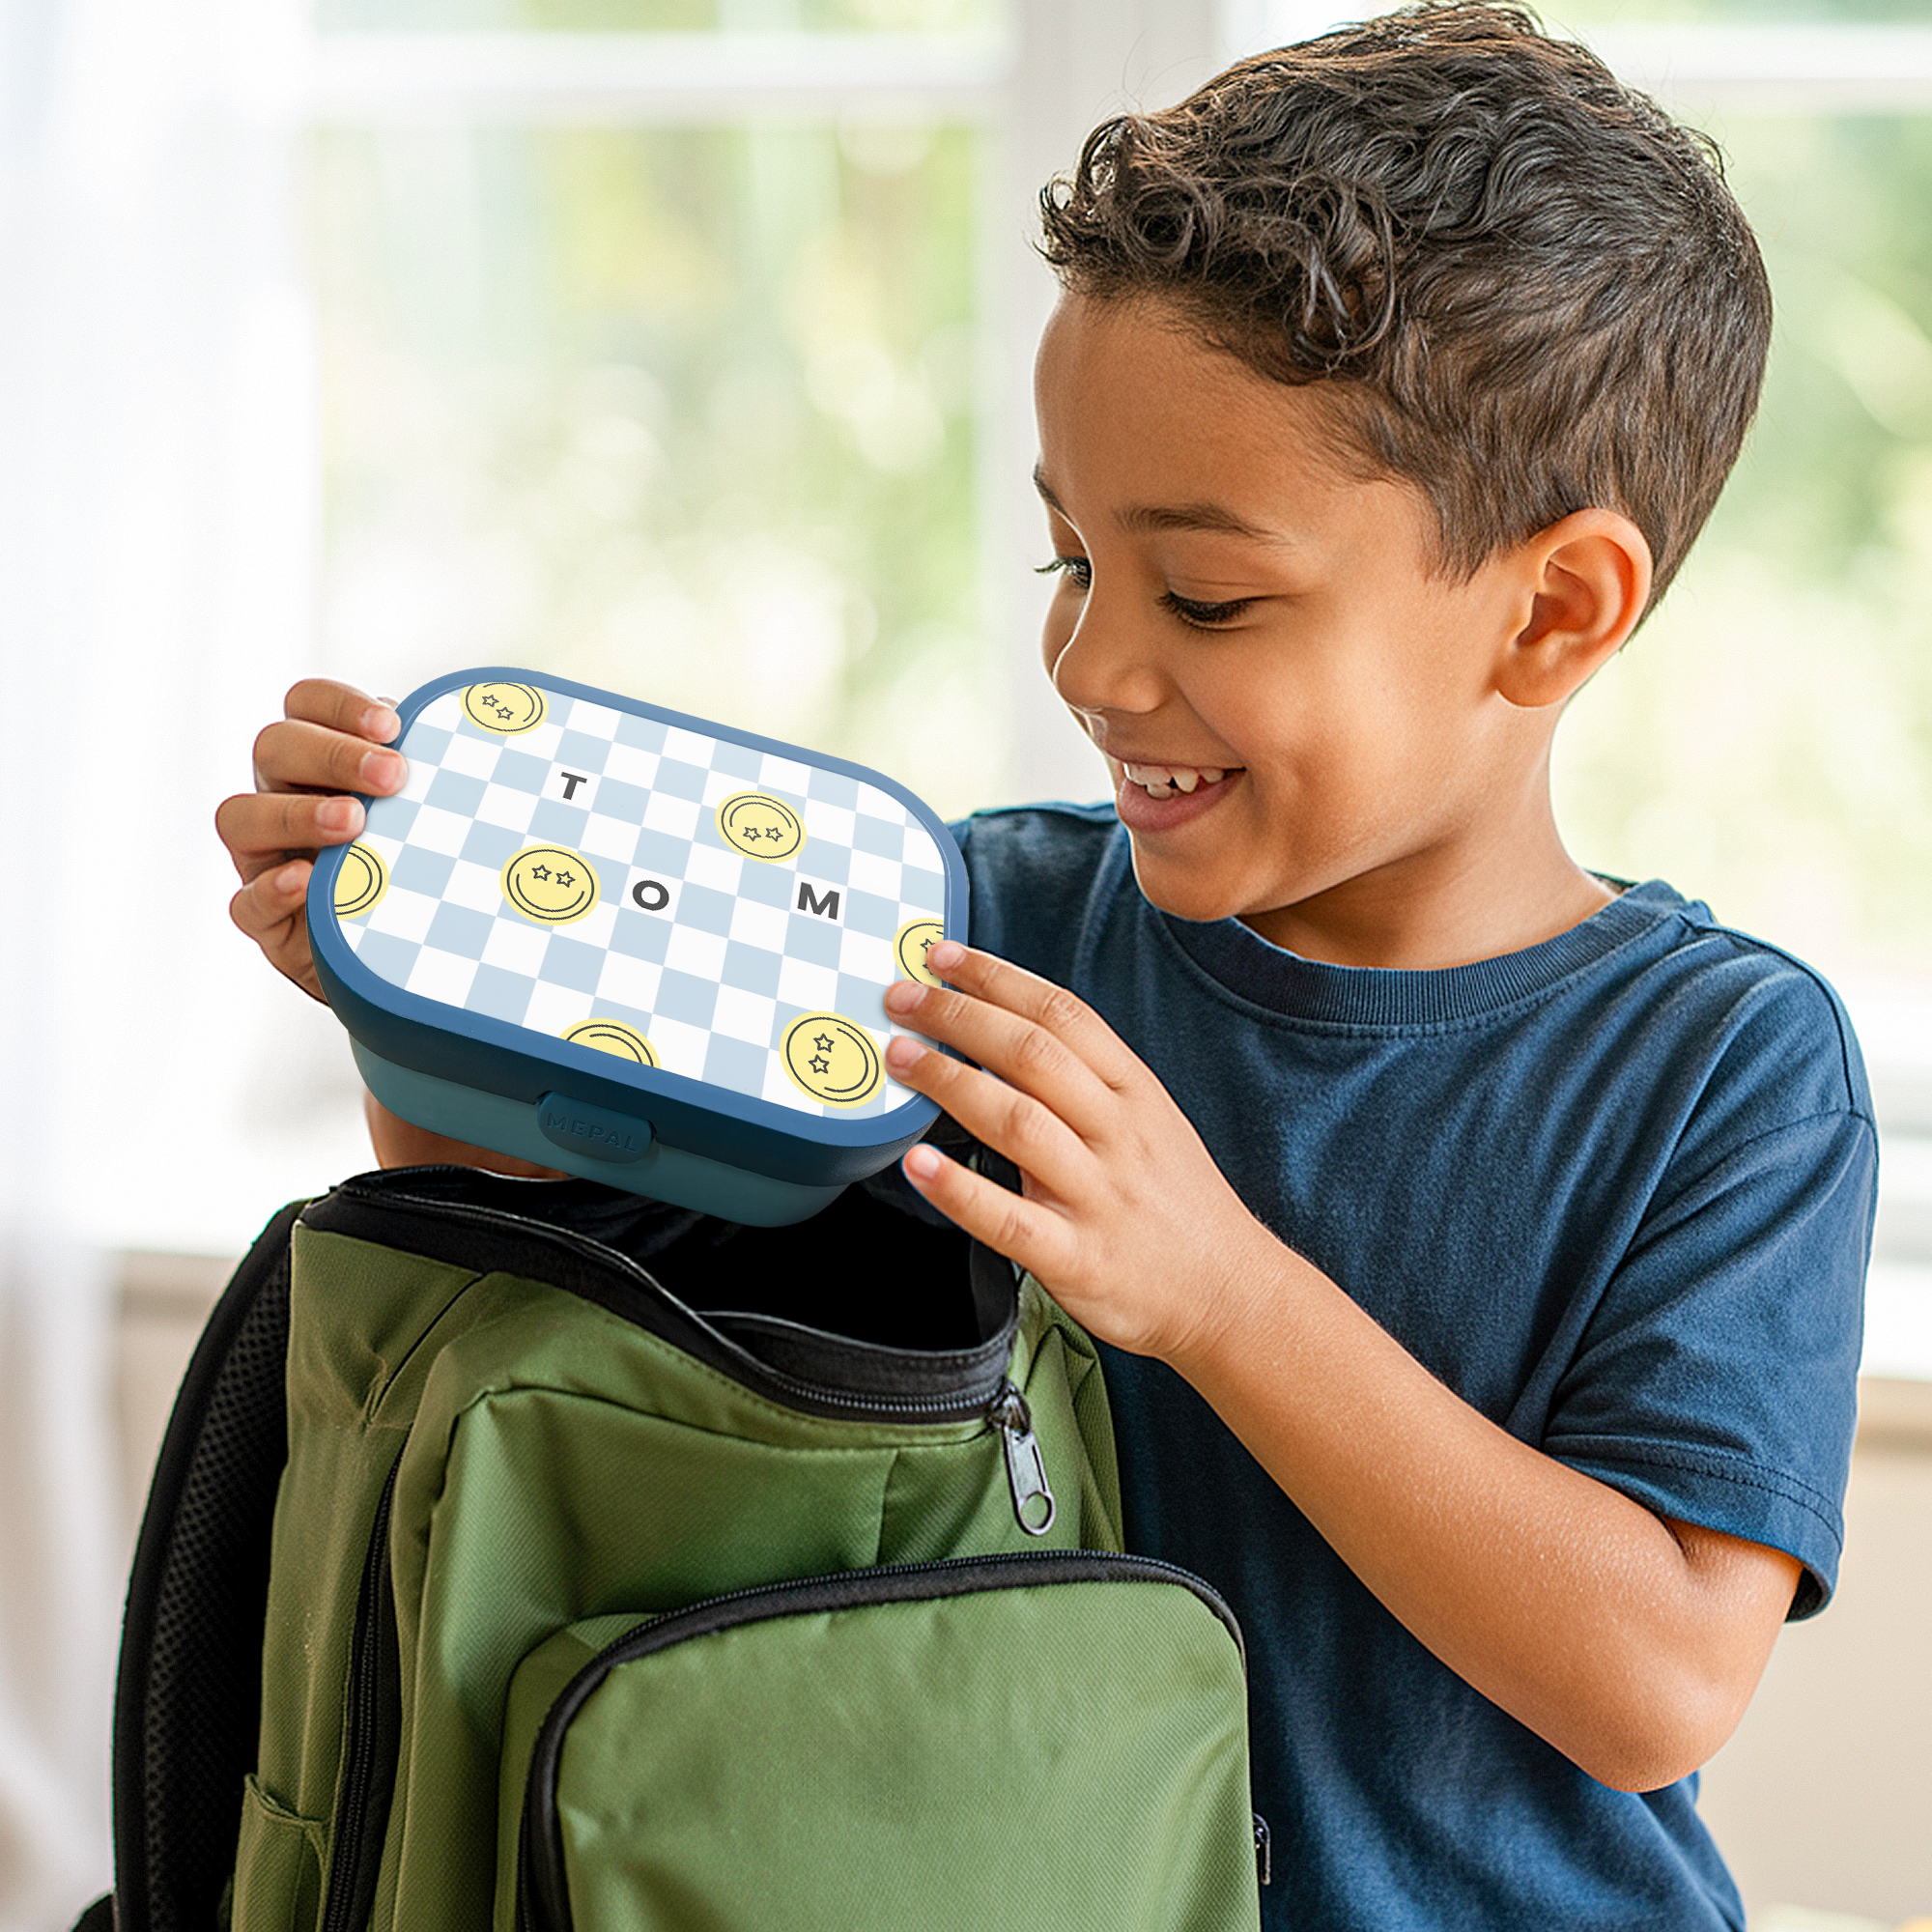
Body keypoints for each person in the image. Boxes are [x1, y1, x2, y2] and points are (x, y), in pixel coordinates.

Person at [215, 7, 1876, 1925]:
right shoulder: (980, 935)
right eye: (1064, 560)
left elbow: (1657, 1679)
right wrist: (407, 983)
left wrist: (1216, 1290)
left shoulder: (1722, 1068)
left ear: (1554, 609)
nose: (1089, 666)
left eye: (1205, 593)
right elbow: (551, 1294)